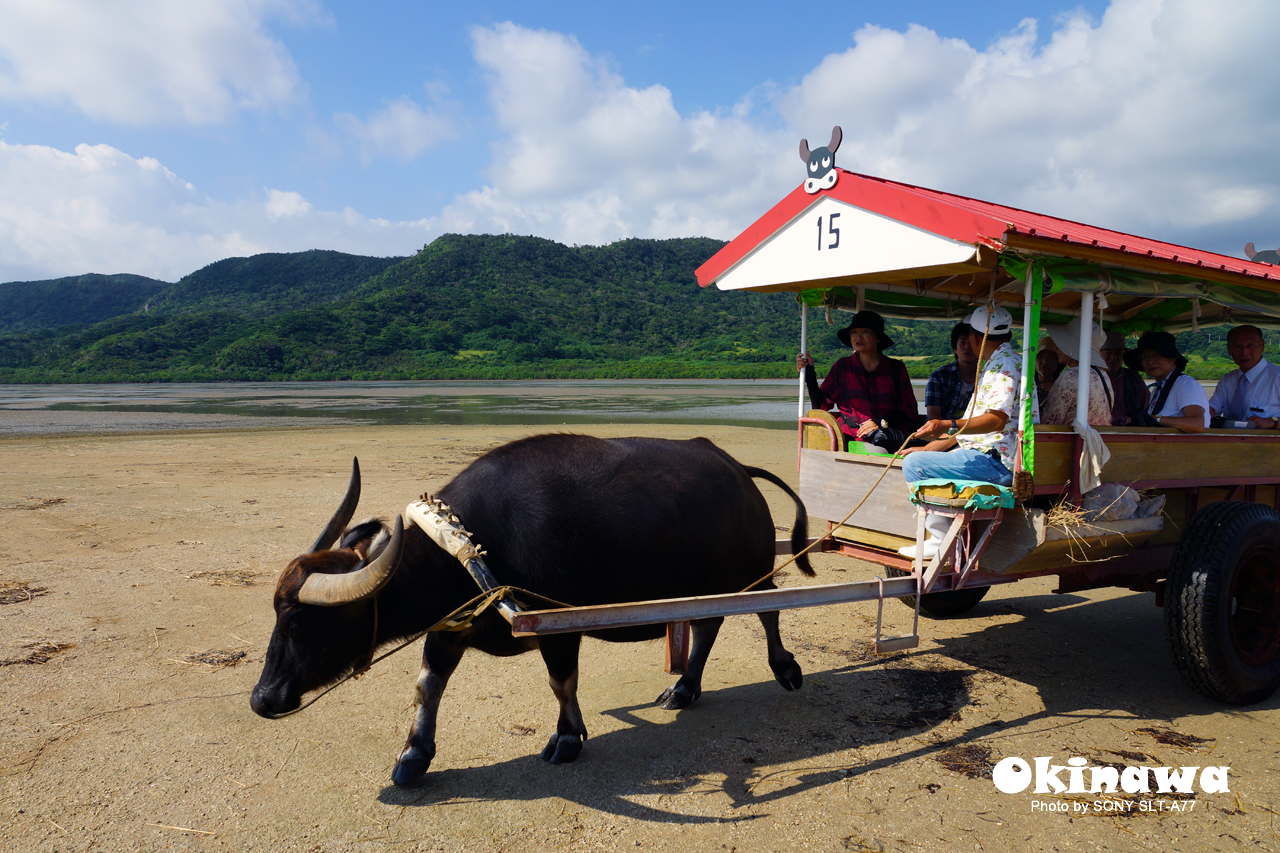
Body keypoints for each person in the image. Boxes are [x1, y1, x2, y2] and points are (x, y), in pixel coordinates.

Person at [898, 305, 1036, 557]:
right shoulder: (1013, 360)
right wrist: (933, 444)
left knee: (914, 464)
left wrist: (946, 423)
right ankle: (948, 533)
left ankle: (940, 538)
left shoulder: (1001, 366)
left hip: (998, 461)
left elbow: (996, 420)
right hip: (1000, 457)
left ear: (976, 337)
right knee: (923, 457)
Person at [796, 310, 919, 453]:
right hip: (852, 438)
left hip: (889, 436)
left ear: (878, 337)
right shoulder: (842, 367)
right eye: (854, 332)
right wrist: (809, 373)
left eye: (865, 331)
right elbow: (821, 405)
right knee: (878, 452)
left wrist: (880, 423)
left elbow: (909, 411)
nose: (858, 337)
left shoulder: (896, 368)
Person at [1123, 331, 1209, 432]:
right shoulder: (1158, 388)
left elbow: (1197, 424)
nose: (1150, 361)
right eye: (1145, 357)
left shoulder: (1185, 384)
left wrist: (1156, 419)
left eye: (1157, 355)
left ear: (1172, 359)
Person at [1038, 318, 1113, 426]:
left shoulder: (1071, 375)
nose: (1056, 347)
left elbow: (1050, 421)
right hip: (1096, 439)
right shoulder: (1102, 375)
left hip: (1074, 440)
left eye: (1062, 343)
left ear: (1072, 347)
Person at [1208, 325, 1280, 429]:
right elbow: (1213, 408)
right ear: (1229, 349)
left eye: (1250, 345)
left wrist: (1273, 422)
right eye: (1237, 346)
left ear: (1262, 345)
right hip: (1228, 441)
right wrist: (1205, 411)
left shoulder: (1277, 378)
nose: (1244, 352)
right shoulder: (1228, 380)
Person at [924, 322, 977, 421]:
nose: (967, 347)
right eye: (962, 342)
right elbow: (933, 417)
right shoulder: (939, 377)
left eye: (972, 342)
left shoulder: (986, 377)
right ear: (955, 349)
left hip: (974, 433)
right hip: (941, 432)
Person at [1099, 330, 1150, 426]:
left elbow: (1146, 405)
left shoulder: (1134, 378)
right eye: (1108, 353)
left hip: (1129, 431)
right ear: (1098, 354)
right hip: (1097, 432)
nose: (1113, 357)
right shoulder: (1090, 378)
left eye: (1118, 353)